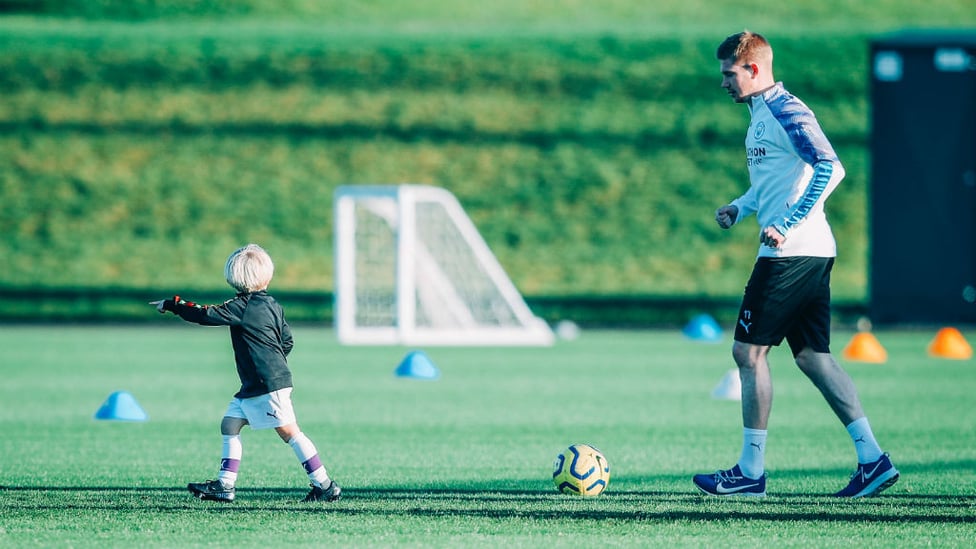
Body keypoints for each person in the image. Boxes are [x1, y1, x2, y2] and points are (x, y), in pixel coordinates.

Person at [693, 31, 899, 498]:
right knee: (812, 358)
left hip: (791, 252)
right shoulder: (760, 116)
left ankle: (750, 471)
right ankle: (873, 460)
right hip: (809, 250)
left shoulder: (787, 110)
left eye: (729, 74)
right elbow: (775, 182)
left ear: (753, 69)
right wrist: (740, 208)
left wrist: (785, 224)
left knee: (748, 353)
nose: (723, 82)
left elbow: (830, 167)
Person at [151, 244, 341, 503]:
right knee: (230, 423)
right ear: (267, 275)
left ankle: (325, 485)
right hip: (261, 382)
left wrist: (175, 304)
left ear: (234, 277)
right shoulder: (272, 304)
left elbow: (205, 315)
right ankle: (225, 485)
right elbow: (287, 340)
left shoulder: (242, 305)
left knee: (290, 432)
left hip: (266, 383)